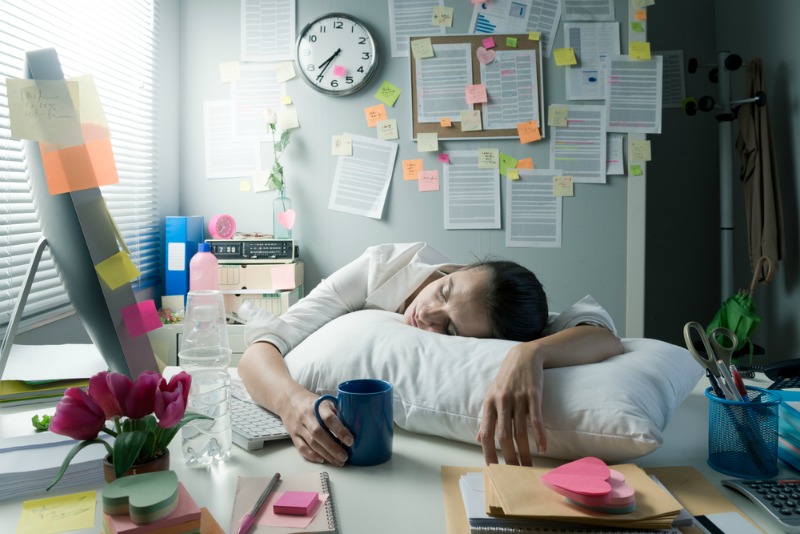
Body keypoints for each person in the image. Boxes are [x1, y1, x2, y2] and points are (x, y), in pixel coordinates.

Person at [238, 242, 624, 467]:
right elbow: (261, 350)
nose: (427, 315)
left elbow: (601, 335)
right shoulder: (383, 267)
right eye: (444, 292)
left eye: (450, 329)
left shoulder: (511, 321)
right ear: (461, 268)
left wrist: (530, 356)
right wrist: (293, 404)